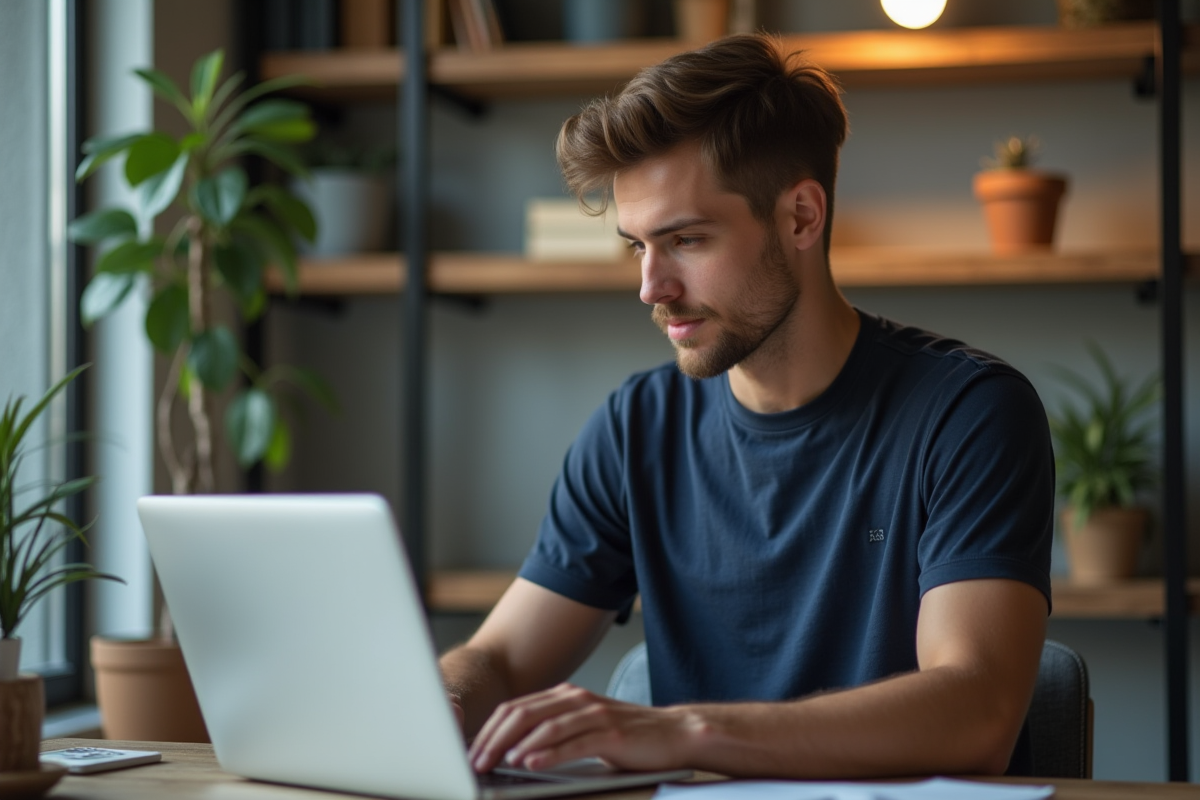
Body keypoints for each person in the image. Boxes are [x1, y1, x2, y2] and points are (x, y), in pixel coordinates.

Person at [439, 33, 1053, 780]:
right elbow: (500, 656)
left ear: (800, 217)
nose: (650, 287)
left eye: (686, 239)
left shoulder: (969, 414)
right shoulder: (637, 428)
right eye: (637, 246)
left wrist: (685, 731)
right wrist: (446, 699)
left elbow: (975, 710)